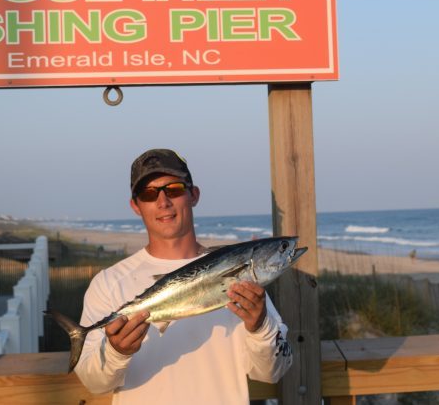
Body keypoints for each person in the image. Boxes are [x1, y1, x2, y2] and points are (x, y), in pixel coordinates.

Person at [74, 148, 293, 404]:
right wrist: (116, 352)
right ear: (136, 206)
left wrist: (259, 326)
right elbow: (93, 382)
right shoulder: (108, 283)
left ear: (194, 195)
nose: (163, 202)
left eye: (174, 189)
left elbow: (274, 371)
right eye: (148, 194)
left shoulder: (245, 282)